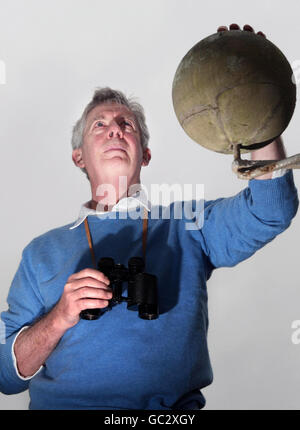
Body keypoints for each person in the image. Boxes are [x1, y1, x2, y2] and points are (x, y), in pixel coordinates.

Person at [0, 24, 298, 410]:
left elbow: (271, 211)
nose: (114, 131)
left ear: (145, 153)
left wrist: (254, 104)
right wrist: (59, 316)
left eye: (127, 125)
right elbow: (5, 376)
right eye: (100, 126)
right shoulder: (40, 253)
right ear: (79, 157)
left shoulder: (187, 224)